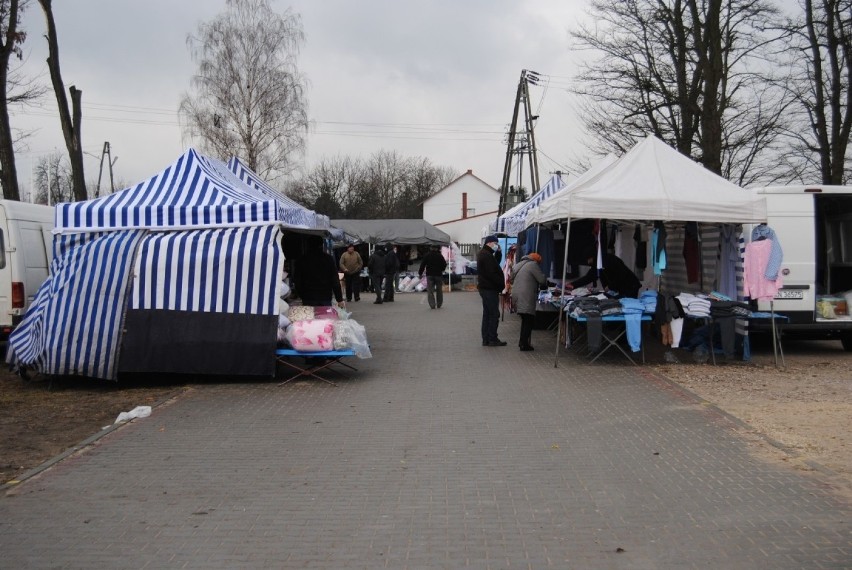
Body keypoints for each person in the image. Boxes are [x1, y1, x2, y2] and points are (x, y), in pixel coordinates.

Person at [569, 246, 641, 299]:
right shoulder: (598, 262)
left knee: (628, 307)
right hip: (623, 287)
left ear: (592, 257)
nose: (588, 262)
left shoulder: (608, 260)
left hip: (630, 286)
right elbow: (590, 277)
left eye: (588, 259)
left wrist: (610, 286)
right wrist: (573, 285)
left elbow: (621, 275)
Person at [293, 235, 345, 307]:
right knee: (325, 317)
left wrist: (301, 295)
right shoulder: (328, 259)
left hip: (308, 297)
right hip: (325, 297)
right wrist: (339, 299)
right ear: (322, 245)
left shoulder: (302, 260)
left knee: (310, 317)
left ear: (308, 245)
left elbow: (297, 280)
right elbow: (335, 280)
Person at [510, 252, 547, 351]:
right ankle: (524, 344)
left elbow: (511, 278)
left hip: (517, 294)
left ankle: (522, 342)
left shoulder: (519, 264)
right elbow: (542, 280)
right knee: (528, 320)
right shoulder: (533, 265)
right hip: (526, 295)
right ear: (536, 260)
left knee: (524, 319)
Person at [478, 235, 507, 346]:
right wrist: (500, 284)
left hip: (486, 288)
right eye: (496, 243)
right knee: (494, 314)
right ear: (489, 243)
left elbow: (495, 263)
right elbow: (492, 273)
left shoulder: (486, 254)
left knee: (488, 314)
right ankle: (492, 338)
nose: (496, 245)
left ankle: (486, 338)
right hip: (489, 289)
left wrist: (498, 252)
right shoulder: (486, 255)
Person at [419, 244, 448, 309]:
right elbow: (444, 264)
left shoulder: (427, 255)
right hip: (438, 274)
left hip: (429, 275)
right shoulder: (440, 256)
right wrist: (441, 269)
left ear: (430, 248)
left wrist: (420, 273)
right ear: (437, 249)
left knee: (430, 290)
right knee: (439, 290)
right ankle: (439, 304)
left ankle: (432, 305)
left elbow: (422, 265)